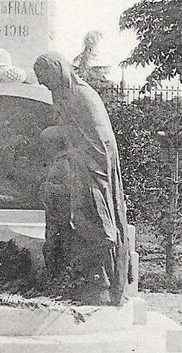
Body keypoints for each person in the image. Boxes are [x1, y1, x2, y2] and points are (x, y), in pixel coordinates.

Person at [34, 52, 133, 306]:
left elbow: (100, 144)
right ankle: (80, 281)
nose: (45, 86)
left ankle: (101, 284)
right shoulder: (66, 96)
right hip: (75, 168)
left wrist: (56, 134)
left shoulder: (83, 97)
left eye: (46, 80)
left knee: (93, 224)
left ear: (58, 72)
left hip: (91, 172)